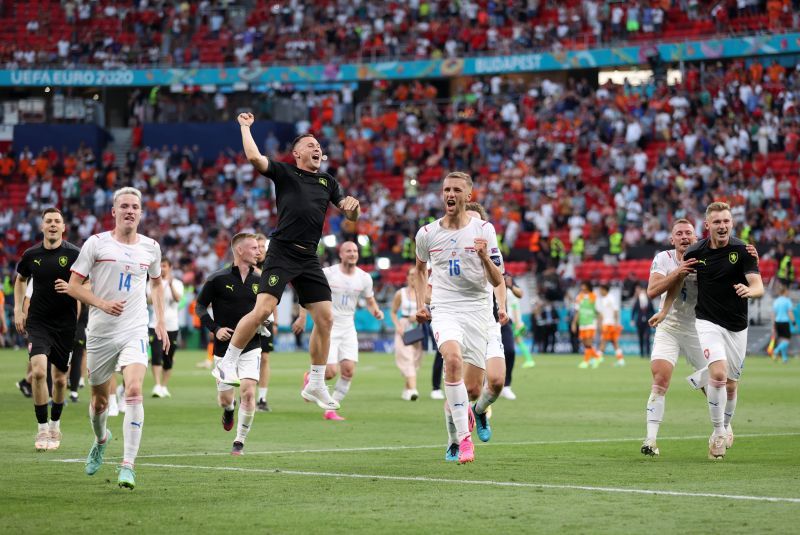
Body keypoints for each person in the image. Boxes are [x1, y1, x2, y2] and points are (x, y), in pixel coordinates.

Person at [214, 115, 360, 416]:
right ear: (297, 154)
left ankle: (316, 382)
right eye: (310, 145)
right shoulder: (285, 172)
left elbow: (349, 214)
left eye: (319, 145)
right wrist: (244, 127)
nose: (317, 148)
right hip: (281, 251)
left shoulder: (328, 181)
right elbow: (254, 157)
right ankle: (228, 361)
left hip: (308, 256)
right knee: (263, 310)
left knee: (326, 318)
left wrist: (352, 209)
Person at [67, 187, 169, 490]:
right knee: (99, 402)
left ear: (141, 212)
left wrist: (160, 319)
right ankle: (101, 439)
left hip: (134, 329)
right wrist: (100, 303)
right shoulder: (96, 244)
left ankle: (128, 465)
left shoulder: (151, 247)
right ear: (113, 211)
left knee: (134, 389)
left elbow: (157, 283)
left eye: (135, 206)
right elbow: (74, 286)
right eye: (124, 206)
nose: (130, 211)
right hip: (100, 331)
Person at [414, 171, 504, 464]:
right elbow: (419, 270)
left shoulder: (484, 230)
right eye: (446, 189)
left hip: (477, 310)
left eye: (456, 190)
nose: (449, 194)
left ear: (469, 196)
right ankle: (462, 441)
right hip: (445, 308)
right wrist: (420, 304)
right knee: (451, 360)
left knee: (475, 388)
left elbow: (496, 279)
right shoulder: (427, 234)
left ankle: (462, 429)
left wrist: (483, 257)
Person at [682, 202, 763, 459]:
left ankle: (726, 425)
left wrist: (750, 291)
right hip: (707, 321)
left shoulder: (743, 250)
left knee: (731, 385)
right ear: (707, 226)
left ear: (732, 223)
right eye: (717, 222)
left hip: (737, 325)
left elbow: (758, 284)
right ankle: (718, 433)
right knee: (718, 374)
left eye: (726, 221)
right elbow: (681, 278)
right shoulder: (695, 252)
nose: (722, 226)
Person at [14, 208, 81, 451]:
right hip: (38, 322)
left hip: (66, 324)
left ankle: (55, 424)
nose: (53, 225)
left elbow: (87, 282)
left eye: (57, 221)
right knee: (39, 372)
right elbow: (20, 279)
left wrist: (73, 290)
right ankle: (42, 430)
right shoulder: (31, 255)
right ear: (42, 226)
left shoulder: (75, 254)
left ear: (64, 227)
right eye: (48, 221)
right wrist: (19, 310)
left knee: (61, 380)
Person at [294, 241, 384, 420]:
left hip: (348, 327)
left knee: (349, 370)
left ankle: (330, 410)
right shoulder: (328, 274)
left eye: (355, 251)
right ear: (341, 254)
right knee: (330, 372)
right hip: (329, 327)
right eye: (348, 251)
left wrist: (376, 310)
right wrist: (302, 316)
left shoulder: (364, 278)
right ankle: (310, 377)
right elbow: (307, 293)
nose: (352, 254)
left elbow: (369, 299)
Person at [195, 233, 262, 455]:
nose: (258, 251)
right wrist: (216, 329)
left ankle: (239, 441)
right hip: (224, 348)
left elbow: (267, 307)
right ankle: (229, 409)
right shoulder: (217, 279)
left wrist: (266, 319)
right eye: (253, 248)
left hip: (252, 345)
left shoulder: (260, 280)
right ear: (240, 250)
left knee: (249, 391)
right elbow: (200, 307)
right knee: (225, 399)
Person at [147, 258, 183, 398]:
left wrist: (170, 284)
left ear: (170, 267)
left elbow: (178, 299)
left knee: (168, 357)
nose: (162, 268)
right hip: (155, 324)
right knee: (156, 355)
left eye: (164, 266)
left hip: (172, 325)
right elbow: (149, 300)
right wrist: (158, 287)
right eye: (160, 266)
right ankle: (156, 385)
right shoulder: (152, 283)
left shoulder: (177, 283)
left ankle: (163, 386)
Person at [390, 267, 424, 400]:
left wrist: (418, 316)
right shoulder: (401, 293)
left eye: (415, 275)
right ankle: (413, 390)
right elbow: (393, 311)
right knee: (407, 358)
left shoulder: (423, 293)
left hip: (417, 328)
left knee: (416, 360)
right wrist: (398, 325)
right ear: (407, 277)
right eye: (410, 275)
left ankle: (406, 389)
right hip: (404, 327)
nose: (413, 277)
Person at [254, 233, 276, 412]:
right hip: (245, 319)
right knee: (241, 357)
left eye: (262, 247)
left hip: (266, 321)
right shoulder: (242, 268)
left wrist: (274, 320)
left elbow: (274, 297)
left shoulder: (271, 268)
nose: (260, 250)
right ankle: (244, 394)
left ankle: (262, 398)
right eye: (256, 247)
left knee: (265, 358)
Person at [572, 281, 601, 368]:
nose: (582, 288)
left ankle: (586, 362)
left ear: (588, 287)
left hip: (591, 322)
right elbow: (577, 312)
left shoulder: (594, 297)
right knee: (585, 343)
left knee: (589, 342)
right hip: (582, 322)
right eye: (582, 286)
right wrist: (574, 323)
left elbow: (598, 311)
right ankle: (597, 357)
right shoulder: (579, 297)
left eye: (584, 286)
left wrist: (599, 322)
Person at [597, 284, 625, 366]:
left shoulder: (610, 298)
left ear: (604, 290)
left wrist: (616, 323)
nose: (600, 292)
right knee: (614, 342)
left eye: (601, 290)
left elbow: (615, 311)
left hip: (609, 324)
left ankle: (598, 359)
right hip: (609, 324)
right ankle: (621, 360)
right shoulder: (603, 299)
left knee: (603, 341)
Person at [771, 284, 795, 364]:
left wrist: (773, 325)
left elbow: (773, 314)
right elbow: (790, 312)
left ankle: (785, 359)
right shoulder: (787, 300)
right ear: (785, 291)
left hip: (777, 322)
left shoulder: (776, 301)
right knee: (787, 341)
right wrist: (793, 322)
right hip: (785, 322)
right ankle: (776, 350)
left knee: (782, 341)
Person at [630, 284, 654, 357]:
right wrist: (632, 320)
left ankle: (648, 353)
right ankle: (642, 353)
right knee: (640, 338)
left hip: (647, 322)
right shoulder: (637, 300)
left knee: (647, 337)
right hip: (639, 322)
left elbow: (652, 311)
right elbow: (634, 311)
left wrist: (653, 319)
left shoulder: (649, 300)